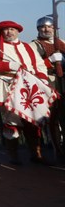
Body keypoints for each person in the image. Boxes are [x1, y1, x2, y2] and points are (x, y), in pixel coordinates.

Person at [0, 20, 52, 165]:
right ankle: (13, 155)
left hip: (30, 87)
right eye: (6, 30)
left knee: (33, 120)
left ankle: (36, 153)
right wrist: (9, 65)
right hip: (8, 87)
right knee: (12, 121)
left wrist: (42, 80)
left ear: (17, 31)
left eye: (12, 29)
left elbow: (39, 65)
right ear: (1, 32)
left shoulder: (27, 47)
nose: (9, 32)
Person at [31, 15, 65, 159]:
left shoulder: (62, 42)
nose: (46, 29)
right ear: (38, 29)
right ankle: (57, 149)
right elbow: (32, 65)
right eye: (43, 27)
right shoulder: (34, 46)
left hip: (63, 81)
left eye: (50, 27)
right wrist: (49, 61)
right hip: (48, 82)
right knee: (52, 117)